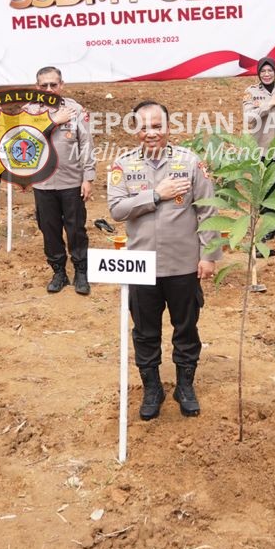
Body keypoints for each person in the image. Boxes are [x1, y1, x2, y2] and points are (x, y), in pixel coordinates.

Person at [107, 101, 221, 420]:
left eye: (157, 126)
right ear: (135, 130)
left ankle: (185, 385)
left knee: (186, 328)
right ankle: (152, 387)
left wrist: (209, 255)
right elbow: (116, 210)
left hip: (183, 264)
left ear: (168, 128)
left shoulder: (189, 162)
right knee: (145, 331)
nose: (151, 133)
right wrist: (156, 194)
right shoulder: (123, 165)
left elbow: (207, 209)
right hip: (141, 265)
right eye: (144, 127)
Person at [31, 67, 96, 295]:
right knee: (49, 229)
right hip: (43, 183)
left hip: (71, 182)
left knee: (76, 229)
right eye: (43, 85)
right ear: (36, 87)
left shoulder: (76, 109)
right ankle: (58, 271)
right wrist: (53, 121)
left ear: (62, 85)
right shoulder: (29, 111)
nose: (48, 89)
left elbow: (86, 144)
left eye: (53, 84)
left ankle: (80, 271)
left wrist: (88, 177)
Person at [241, 57, 275, 246]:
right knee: (266, 191)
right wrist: (270, 103)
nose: (266, 74)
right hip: (262, 150)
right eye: (263, 71)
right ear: (258, 73)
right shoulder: (251, 93)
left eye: (269, 71)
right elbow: (249, 118)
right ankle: (267, 227)